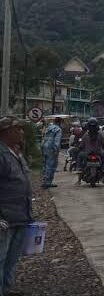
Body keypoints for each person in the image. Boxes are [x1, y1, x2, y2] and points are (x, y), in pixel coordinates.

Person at [0, 116, 32, 296]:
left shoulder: (15, 152)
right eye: (17, 129)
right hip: (5, 218)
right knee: (1, 259)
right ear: (6, 132)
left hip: (19, 215)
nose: (21, 132)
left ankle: (6, 289)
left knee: (12, 260)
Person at [77, 117, 104, 184]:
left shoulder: (85, 135)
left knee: (79, 156)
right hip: (98, 153)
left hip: (87, 153)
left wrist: (80, 148)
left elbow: (81, 145)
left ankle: (79, 173)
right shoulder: (100, 135)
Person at [41, 117, 62, 188]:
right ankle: (47, 182)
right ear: (59, 123)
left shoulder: (48, 128)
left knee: (45, 164)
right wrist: (55, 149)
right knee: (51, 165)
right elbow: (57, 140)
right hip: (52, 148)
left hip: (45, 146)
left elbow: (43, 137)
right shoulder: (58, 129)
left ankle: (44, 181)